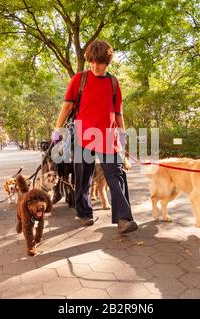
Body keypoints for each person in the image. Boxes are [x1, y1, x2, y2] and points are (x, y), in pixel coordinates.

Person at [51, 40, 138, 234]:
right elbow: (67, 106)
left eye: (99, 62)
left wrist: (122, 136)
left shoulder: (114, 83)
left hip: (108, 137)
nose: (94, 66)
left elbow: (118, 113)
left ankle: (124, 218)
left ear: (107, 62)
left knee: (116, 176)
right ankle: (84, 213)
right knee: (82, 177)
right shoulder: (79, 79)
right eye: (91, 62)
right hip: (83, 135)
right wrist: (58, 130)